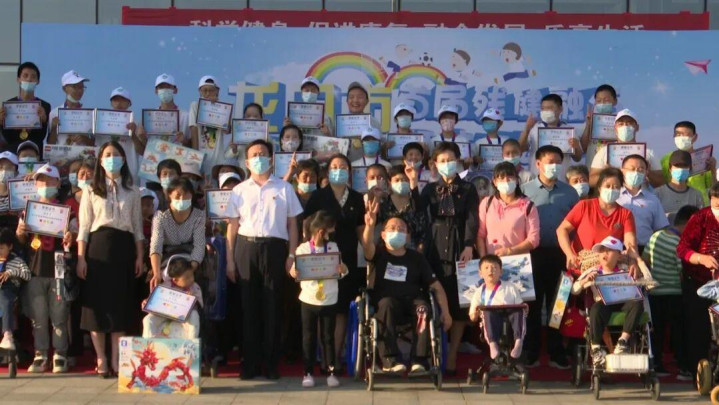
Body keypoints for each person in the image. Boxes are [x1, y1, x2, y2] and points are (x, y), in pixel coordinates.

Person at [225, 139, 303, 380]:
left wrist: (292, 255)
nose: (259, 157)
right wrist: (230, 260)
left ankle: (270, 364)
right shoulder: (239, 190)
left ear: (271, 159)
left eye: (262, 153)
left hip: (275, 249)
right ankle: (250, 363)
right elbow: (232, 227)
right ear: (247, 162)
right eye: (254, 154)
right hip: (246, 248)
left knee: (272, 307)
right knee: (248, 308)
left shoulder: (284, 188)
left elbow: (293, 225)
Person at [77, 141, 144, 378]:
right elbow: (84, 227)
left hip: (124, 248)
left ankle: (117, 359)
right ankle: (101, 358)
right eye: (107, 154)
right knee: (97, 305)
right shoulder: (90, 190)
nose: (112, 158)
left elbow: (137, 227)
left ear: (124, 159)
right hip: (98, 249)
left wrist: (140, 256)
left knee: (120, 305)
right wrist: (81, 258)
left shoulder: (133, 191)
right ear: (100, 160)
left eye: (116, 154)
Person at [362, 203, 452, 374]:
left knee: (423, 308)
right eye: (392, 228)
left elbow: (436, 286)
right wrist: (369, 226)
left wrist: (446, 312)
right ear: (383, 234)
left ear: (408, 237)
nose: (397, 231)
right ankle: (390, 360)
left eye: (401, 229)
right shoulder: (378, 254)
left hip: (412, 301)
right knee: (387, 304)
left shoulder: (417, 258)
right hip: (386, 303)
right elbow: (367, 246)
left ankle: (419, 360)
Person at [419, 141, 479, 374]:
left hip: (459, 245)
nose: (447, 164)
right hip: (434, 245)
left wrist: (469, 245)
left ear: (458, 161)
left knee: (459, 303)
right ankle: (434, 352)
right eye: (442, 161)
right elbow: (419, 214)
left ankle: (452, 353)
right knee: (434, 299)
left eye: (450, 160)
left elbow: (472, 219)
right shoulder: (429, 189)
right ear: (434, 164)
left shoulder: (468, 189)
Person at [303, 153, 365, 372]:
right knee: (322, 307)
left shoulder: (357, 198)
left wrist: (370, 252)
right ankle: (322, 355)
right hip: (319, 259)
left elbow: (361, 231)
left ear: (349, 172)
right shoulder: (318, 196)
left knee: (340, 309)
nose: (339, 170)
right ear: (328, 172)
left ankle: (334, 357)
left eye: (343, 167)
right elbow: (306, 227)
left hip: (346, 261)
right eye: (335, 167)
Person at [521, 145, 579, 368]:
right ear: (538, 164)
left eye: (558, 162)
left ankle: (556, 350)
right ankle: (531, 350)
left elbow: (576, 226)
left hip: (561, 255)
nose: (554, 166)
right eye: (549, 162)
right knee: (533, 305)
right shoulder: (524, 190)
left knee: (559, 304)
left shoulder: (570, 192)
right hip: (532, 255)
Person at [17, 163, 74, 373]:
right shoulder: (28, 210)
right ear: (35, 184)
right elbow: (21, 239)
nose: (45, 185)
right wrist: (20, 232)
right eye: (41, 181)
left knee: (59, 315)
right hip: (35, 269)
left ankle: (60, 354)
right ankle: (40, 354)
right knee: (38, 317)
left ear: (58, 183)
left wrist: (71, 235)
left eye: (50, 181)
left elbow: (75, 234)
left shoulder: (66, 211)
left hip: (58, 268)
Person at [289, 210, 347, 388]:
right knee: (309, 337)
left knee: (328, 337)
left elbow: (342, 269)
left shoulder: (333, 247)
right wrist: (294, 272)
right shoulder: (303, 249)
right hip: (308, 300)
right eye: (330, 229)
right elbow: (294, 271)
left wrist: (343, 269)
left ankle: (331, 372)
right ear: (321, 231)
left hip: (329, 299)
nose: (332, 232)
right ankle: (307, 372)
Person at [643, 204, 698, 379]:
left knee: (657, 330)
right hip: (674, 293)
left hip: (654, 292)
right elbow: (682, 272)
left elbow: (645, 260)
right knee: (677, 331)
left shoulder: (655, 236)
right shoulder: (680, 244)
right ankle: (682, 366)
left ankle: (657, 364)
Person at [571, 236, 644, 367]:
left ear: (619, 256)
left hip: (624, 302)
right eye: (602, 251)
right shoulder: (593, 271)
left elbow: (646, 281)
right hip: (604, 303)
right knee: (595, 309)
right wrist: (585, 281)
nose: (605, 253)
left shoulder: (626, 269)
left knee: (638, 302)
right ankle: (596, 349)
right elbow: (574, 290)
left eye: (609, 251)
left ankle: (622, 342)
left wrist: (637, 266)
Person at [557, 168, 638, 272]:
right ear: (599, 188)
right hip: (582, 268)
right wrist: (569, 254)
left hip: (609, 271)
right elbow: (562, 230)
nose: (611, 190)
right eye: (607, 186)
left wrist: (633, 261)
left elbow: (630, 242)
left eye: (616, 187)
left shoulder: (625, 214)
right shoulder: (584, 206)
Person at [676, 183, 719, 379]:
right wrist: (701, 258)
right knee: (699, 328)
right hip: (698, 281)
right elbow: (682, 249)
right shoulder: (700, 218)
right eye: (715, 201)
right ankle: (699, 372)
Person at [149, 178, 206, 290]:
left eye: (186, 194)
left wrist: (188, 272)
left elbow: (199, 246)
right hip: (166, 260)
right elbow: (156, 245)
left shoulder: (199, 215)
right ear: (169, 195)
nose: (182, 199)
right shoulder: (160, 216)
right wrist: (156, 273)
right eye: (178, 195)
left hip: (189, 259)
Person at [468, 255, 525, 364]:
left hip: (510, 320)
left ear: (501, 272)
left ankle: (518, 342)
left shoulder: (510, 287)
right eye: (486, 268)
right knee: (487, 312)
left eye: (494, 268)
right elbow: (472, 315)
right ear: (480, 273)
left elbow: (521, 305)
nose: (490, 271)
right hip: (492, 320)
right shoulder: (479, 292)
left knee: (518, 310)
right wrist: (474, 314)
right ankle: (492, 344)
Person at [477, 162, 539, 257]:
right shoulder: (486, 203)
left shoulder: (528, 206)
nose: (506, 181)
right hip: (491, 261)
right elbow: (480, 235)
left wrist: (510, 251)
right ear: (495, 182)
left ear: (517, 180)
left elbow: (533, 239)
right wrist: (484, 258)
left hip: (518, 262)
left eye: (510, 177)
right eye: (501, 178)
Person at [590, 109, 663, 188]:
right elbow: (591, 181)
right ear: (615, 128)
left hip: (641, 195)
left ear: (637, 127)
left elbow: (661, 182)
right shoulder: (604, 152)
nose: (625, 126)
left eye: (629, 123)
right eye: (621, 124)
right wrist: (606, 172)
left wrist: (648, 172)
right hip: (614, 195)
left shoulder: (648, 153)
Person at [518, 94, 582, 177]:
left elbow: (577, 158)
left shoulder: (569, 130)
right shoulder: (534, 128)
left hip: (561, 179)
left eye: (549, 108)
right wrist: (527, 130)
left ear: (560, 109)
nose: (545, 111)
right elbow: (520, 150)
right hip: (537, 178)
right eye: (543, 108)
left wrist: (576, 147)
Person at [616, 155, 669, 252]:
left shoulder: (653, 200)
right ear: (622, 170)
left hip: (644, 250)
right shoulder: (614, 196)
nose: (636, 173)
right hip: (617, 250)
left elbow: (660, 229)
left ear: (646, 173)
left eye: (641, 170)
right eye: (632, 169)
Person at [142, 257, 202, 339]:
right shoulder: (165, 286)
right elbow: (155, 302)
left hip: (184, 316)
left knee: (194, 316)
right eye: (187, 278)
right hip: (165, 314)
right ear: (175, 280)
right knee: (148, 319)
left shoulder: (194, 287)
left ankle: (191, 342)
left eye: (192, 275)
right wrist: (147, 303)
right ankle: (149, 342)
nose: (191, 279)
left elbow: (199, 306)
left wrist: (191, 300)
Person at [0, 62, 51, 154]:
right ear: (18, 79)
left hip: (35, 152)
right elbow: (7, 138)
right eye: (25, 76)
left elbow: (41, 137)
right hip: (12, 152)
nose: (29, 79)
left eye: (33, 77)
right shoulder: (9, 105)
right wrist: (1, 122)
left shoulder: (44, 106)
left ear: (38, 81)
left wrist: (43, 121)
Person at [661, 121, 716, 205]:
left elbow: (712, 187)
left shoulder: (704, 157)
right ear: (673, 136)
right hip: (676, 204)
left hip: (700, 205)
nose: (681, 138)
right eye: (678, 135)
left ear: (695, 137)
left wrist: (713, 170)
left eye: (686, 135)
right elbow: (664, 182)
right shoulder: (666, 159)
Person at [96, 87, 144, 184]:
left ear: (129, 103)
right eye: (116, 100)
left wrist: (133, 135)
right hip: (105, 173)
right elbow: (96, 147)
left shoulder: (136, 124)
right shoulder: (101, 122)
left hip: (130, 174)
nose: (119, 103)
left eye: (123, 100)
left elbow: (142, 151)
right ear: (111, 103)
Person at [378, 165, 428, 252]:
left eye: (405, 180)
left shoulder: (416, 202)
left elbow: (423, 229)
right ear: (389, 182)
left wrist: (419, 251)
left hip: (412, 251)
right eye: (397, 180)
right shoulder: (383, 203)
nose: (401, 182)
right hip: (387, 250)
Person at [189, 75, 230, 177]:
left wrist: (217, 108)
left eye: (211, 90)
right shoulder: (195, 105)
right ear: (200, 91)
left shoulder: (223, 107)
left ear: (217, 91)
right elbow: (193, 129)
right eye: (205, 90)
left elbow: (227, 130)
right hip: (201, 159)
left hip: (218, 161)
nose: (207, 94)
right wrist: (196, 158)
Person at [0, 227, 31, 351]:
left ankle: (7, 334)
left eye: (1, 248)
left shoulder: (17, 261)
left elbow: (27, 275)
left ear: (10, 247)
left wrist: (11, 273)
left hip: (9, 291)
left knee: (5, 299)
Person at [654, 150, 704, 222]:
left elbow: (701, 221)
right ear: (670, 168)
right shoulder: (658, 193)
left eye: (684, 166)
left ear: (690, 168)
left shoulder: (696, 195)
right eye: (677, 166)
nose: (681, 169)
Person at [47, 70, 93, 146]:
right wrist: (54, 128)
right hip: (60, 154)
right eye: (75, 87)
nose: (79, 90)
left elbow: (94, 143)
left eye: (81, 87)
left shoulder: (89, 114)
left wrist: (84, 138)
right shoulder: (54, 113)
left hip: (83, 153)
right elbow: (50, 144)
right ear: (64, 88)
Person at [579, 84, 619, 165]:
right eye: (599, 101)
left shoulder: (620, 122)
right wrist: (588, 125)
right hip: (592, 167)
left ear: (615, 101)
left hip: (613, 167)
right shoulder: (589, 121)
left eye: (606, 100)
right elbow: (583, 148)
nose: (602, 103)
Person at [151, 73, 189, 145]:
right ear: (156, 91)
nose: (164, 90)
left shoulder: (186, 116)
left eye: (168, 87)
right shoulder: (150, 117)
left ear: (175, 90)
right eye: (161, 87)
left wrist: (184, 141)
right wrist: (141, 137)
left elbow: (194, 145)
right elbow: (145, 147)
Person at [0, 151, 20, 230]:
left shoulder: (21, 194)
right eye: (0, 168)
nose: (3, 171)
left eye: (9, 168)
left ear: (16, 171)